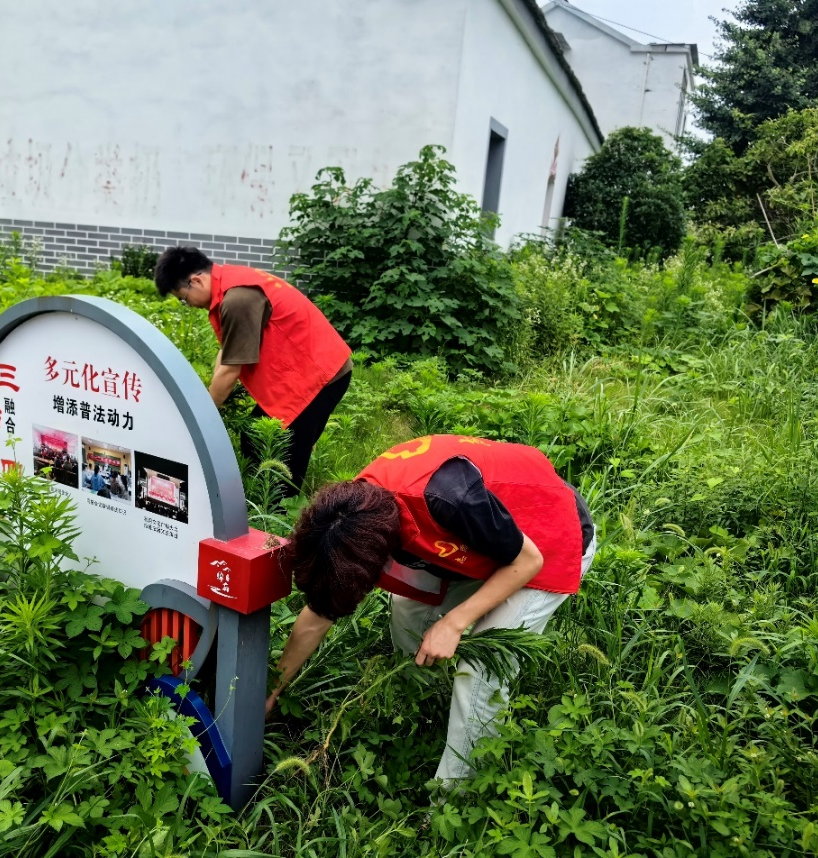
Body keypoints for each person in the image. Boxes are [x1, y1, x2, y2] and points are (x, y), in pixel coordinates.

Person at [265, 434, 596, 785]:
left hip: (548, 536)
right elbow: (320, 612)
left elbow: (527, 561)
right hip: (483, 542)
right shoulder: (350, 513)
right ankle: (419, 711)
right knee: (407, 613)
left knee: (480, 669)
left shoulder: (450, 499)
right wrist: (272, 692)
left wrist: (454, 623)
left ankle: (454, 792)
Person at [154, 246, 353, 493]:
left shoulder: (238, 299)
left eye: (183, 299)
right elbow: (228, 352)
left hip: (320, 377)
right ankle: (256, 498)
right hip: (303, 370)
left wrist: (201, 417)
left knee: (284, 460)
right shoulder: (231, 283)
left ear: (196, 281)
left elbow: (230, 371)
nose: (188, 305)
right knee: (253, 438)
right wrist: (213, 393)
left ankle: (283, 512)